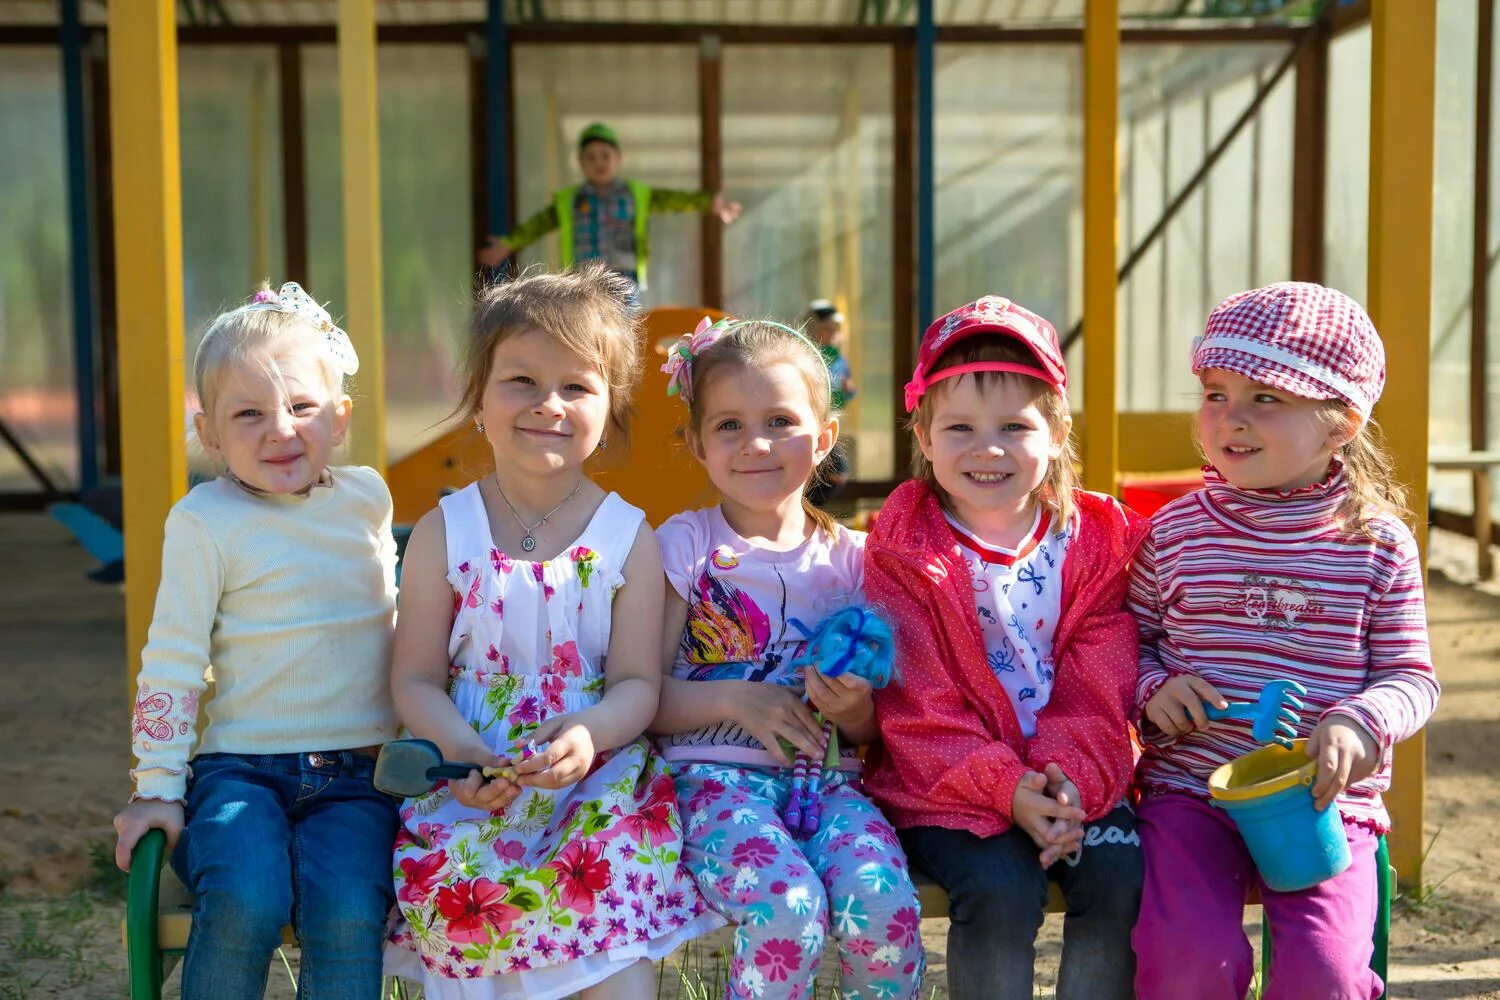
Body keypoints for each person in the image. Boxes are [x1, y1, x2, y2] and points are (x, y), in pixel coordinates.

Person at [385, 262, 721, 999]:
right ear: (478, 399)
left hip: (591, 781)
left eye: (577, 385)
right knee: (465, 912)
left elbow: (638, 681)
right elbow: (413, 677)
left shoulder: (628, 534)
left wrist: (590, 734)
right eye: (522, 382)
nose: (549, 405)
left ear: (610, 405)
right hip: (472, 775)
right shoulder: (446, 530)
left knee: (611, 939)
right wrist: (464, 752)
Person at [1129, 282, 1441, 1000]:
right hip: (1188, 794)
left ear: (1341, 423)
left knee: (1323, 975)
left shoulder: (1377, 544)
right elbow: (1129, 644)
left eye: (1265, 398)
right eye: (1214, 392)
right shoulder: (1174, 533)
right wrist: (1154, 689)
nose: (1230, 419)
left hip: (1322, 800)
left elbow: (1412, 677)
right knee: (1183, 962)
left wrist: (1359, 722)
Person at [111, 282, 400, 999]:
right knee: (247, 898)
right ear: (209, 434)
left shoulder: (367, 499)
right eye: (249, 414)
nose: (280, 430)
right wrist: (157, 791)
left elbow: (395, 623)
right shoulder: (205, 520)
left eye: (302, 408)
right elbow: (173, 662)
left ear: (339, 417)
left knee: (348, 910)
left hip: (357, 777)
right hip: (239, 772)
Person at [862, 295, 1147, 1000]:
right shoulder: (904, 549)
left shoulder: (1096, 542)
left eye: (1014, 427)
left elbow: (1100, 677)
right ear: (923, 437)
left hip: (1078, 779)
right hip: (949, 786)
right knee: (1001, 890)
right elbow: (918, 702)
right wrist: (1006, 789)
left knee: (1120, 879)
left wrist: (1067, 784)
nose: (986, 449)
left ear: (1055, 433)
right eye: (959, 427)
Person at [650, 316, 926, 1000]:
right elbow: (640, 695)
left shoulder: (857, 560)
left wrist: (857, 710)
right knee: (787, 912)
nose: (757, 444)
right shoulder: (684, 548)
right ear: (695, 444)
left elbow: (878, 728)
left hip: (831, 787)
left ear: (825, 437)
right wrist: (731, 699)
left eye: (780, 420)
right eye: (729, 426)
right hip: (711, 787)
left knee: (886, 910)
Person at [478, 122, 741, 296]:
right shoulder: (571, 200)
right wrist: (509, 244)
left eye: (605, 155)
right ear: (581, 163)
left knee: (624, 330)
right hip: (581, 279)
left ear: (618, 159)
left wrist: (709, 203)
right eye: (590, 157)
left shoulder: (635, 195)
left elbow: (673, 200)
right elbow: (538, 224)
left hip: (624, 278)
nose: (599, 162)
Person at [804, 298, 855, 508]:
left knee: (836, 473)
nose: (833, 335)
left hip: (831, 422)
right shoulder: (807, 356)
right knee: (829, 470)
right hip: (813, 423)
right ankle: (809, 506)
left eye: (836, 330)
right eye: (827, 329)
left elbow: (849, 389)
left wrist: (848, 389)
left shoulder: (838, 359)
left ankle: (812, 507)